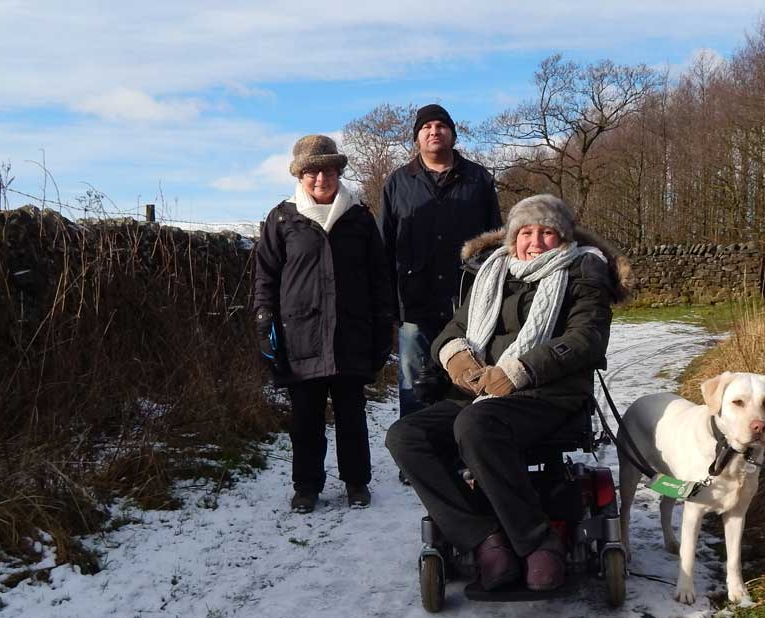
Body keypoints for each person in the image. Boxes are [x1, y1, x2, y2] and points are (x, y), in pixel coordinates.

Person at [385, 194, 630, 592]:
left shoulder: (583, 273)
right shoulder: (492, 273)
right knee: (406, 436)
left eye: (547, 232)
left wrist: (521, 370)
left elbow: (586, 338)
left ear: (564, 238)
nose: (535, 242)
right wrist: (456, 357)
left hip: (549, 396)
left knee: (476, 425)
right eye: (526, 232)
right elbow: (453, 330)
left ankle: (537, 541)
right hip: (480, 397)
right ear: (512, 238)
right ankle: (483, 538)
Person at [254, 135, 395, 514]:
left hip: (351, 332)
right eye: (313, 171)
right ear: (300, 176)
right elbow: (266, 277)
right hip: (301, 334)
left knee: (352, 413)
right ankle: (307, 486)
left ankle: (356, 483)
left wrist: (384, 324)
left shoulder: (359, 217)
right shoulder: (282, 218)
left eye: (329, 170)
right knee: (305, 418)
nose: (321, 178)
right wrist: (264, 320)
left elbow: (380, 277)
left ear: (339, 172)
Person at [378, 104, 503, 422]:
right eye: (426, 127)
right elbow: (385, 246)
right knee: (414, 384)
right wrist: (390, 305)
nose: (434, 131)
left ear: (453, 134)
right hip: (415, 304)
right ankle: (417, 462)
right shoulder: (397, 183)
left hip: (469, 303)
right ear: (417, 138)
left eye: (441, 125)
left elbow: (496, 242)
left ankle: (464, 456)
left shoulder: (478, 179)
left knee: (468, 379)